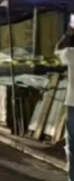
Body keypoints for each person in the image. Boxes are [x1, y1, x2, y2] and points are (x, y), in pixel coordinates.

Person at [56, 17, 74, 181]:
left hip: (73, 104)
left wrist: (68, 34)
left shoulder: (71, 54)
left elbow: (58, 50)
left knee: (73, 146)